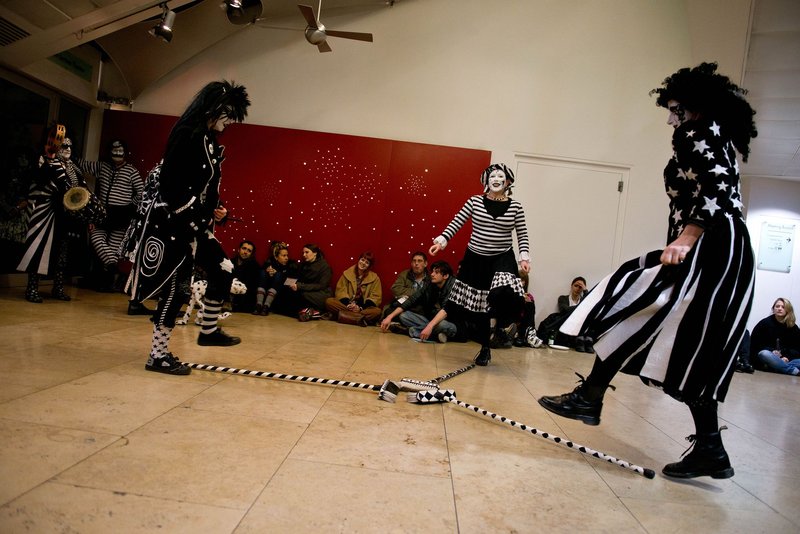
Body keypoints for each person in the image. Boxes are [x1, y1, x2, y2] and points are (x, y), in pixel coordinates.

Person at [538, 62, 757, 480]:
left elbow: (715, 192)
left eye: (675, 108)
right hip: (727, 249)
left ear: (693, 105)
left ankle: (590, 396)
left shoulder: (696, 131)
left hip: (712, 247)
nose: (671, 118)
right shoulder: (720, 136)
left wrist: (686, 239)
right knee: (685, 340)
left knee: (640, 307)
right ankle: (707, 446)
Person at [127, 80, 250, 375]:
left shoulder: (208, 139)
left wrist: (216, 212)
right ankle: (157, 355)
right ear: (215, 108)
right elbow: (171, 186)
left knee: (223, 269)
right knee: (177, 291)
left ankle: (207, 331)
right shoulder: (187, 134)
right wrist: (194, 218)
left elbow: (205, 186)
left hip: (194, 223)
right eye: (229, 113)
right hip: (173, 224)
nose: (231, 121)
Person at [429, 163, 530, 366]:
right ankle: (485, 348)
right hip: (475, 258)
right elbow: (457, 221)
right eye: (492, 175)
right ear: (486, 180)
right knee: (480, 308)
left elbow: (522, 233)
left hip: (502, 256)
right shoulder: (474, 201)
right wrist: (441, 241)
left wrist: (524, 257)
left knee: (506, 291)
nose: (496, 179)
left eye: (500, 176)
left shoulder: (516, 207)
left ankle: (504, 325)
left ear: (508, 181)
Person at [17, 128, 88, 303]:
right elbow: (38, 180)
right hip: (45, 211)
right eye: (63, 145)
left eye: (70, 146)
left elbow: (80, 189)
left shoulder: (73, 167)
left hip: (64, 214)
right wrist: (50, 160)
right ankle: (32, 288)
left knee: (62, 253)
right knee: (39, 250)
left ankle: (58, 287)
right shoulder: (43, 160)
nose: (68, 149)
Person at [75, 140, 143, 292]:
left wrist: (129, 205)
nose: (117, 155)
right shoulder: (102, 167)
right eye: (114, 152)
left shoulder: (132, 171)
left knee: (113, 247)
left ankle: (107, 282)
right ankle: (114, 272)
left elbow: (142, 192)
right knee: (96, 238)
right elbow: (83, 164)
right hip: (103, 212)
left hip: (121, 215)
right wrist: (69, 154)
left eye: (120, 152)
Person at [380, 260, 460, 342]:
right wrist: (389, 317)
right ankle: (436, 335)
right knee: (404, 316)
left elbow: (445, 311)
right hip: (431, 320)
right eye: (432, 271)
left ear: (445, 276)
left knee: (442, 325)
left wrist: (429, 327)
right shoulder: (430, 284)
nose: (432, 274)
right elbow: (411, 300)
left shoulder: (454, 286)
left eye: (436, 272)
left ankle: (410, 331)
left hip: (451, 323)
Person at [325, 251, 382, 325]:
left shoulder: (375, 278)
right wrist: (348, 304)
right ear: (359, 260)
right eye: (362, 260)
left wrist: (360, 308)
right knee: (329, 301)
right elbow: (340, 290)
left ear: (369, 266)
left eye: (367, 262)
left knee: (377, 311)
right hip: (346, 306)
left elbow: (376, 297)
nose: (363, 263)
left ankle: (344, 317)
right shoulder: (347, 273)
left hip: (362, 309)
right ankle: (358, 319)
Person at [750, 298, 800, 376]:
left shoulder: (793, 327)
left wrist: (786, 357)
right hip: (768, 358)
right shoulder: (764, 324)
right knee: (764, 354)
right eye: (777, 306)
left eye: (783, 307)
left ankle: (778, 367)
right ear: (773, 309)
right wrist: (772, 352)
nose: (780, 309)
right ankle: (793, 371)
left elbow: (797, 348)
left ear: (788, 310)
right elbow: (755, 345)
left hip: (786, 360)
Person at [283, 243, 332, 321]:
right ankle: (312, 313)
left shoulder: (325, 267)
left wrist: (300, 286)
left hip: (320, 294)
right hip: (306, 291)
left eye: (307, 252)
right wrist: (290, 283)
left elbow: (321, 285)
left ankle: (312, 312)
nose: (304, 255)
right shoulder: (304, 265)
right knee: (286, 293)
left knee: (300, 295)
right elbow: (299, 278)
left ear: (315, 253)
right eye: (303, 253)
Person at [382, 251, 430, 318]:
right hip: (405, 304)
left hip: (421, 308)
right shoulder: (404, 274)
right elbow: (395, 289)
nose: (416, 263)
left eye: (419, 261)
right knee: (388, 311)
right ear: (411, 263)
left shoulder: (430, 278)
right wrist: (416, 293)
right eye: (414, 261)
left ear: (425, 264)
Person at [253, 241, 295, 316]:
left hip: (281, 291)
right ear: (276, 257)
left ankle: (266, 306)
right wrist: (268, 272)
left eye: (287, 255)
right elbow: (261, 279)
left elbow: (291, 281)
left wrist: (279, 274)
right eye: (283, 255)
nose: (286, 258)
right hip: (267, 289)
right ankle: (259, 305)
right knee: (263, 272)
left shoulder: (291, 265)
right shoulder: (269, 263)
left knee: (278, 274)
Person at [512, 270, 543, 348]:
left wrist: (527, 302)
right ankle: (526, 335)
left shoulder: (528, 296)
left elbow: (531, 315)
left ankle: (527, 333)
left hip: (524, 324)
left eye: (522, 280)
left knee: (530, 304)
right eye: (518, 279)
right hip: (513, 322)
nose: (520, 282)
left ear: (525, 282)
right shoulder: (510, 293)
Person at [230, 239, 260, 313]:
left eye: (249, 251)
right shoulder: (230, 262)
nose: (245, 252)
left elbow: (251, 287)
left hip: (244, 299)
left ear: (251, 254)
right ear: (239, 249)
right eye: (244, 248)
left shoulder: (254, 266)